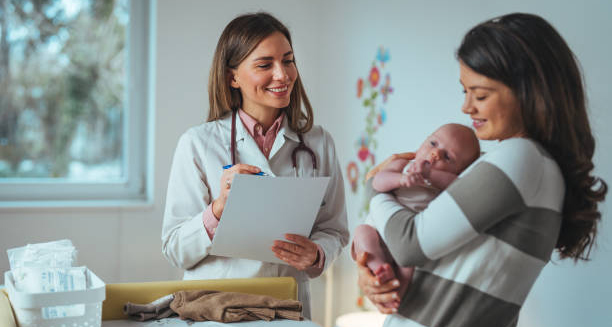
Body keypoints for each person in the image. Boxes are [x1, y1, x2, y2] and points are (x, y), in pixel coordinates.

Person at [356, 13, 607, 327]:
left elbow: (409, 245)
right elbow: (426, 258)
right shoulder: (531, 165)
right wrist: (375, 276)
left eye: (481, 94)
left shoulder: (522, 158)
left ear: (529, 91)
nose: (467, 107)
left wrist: (373, 189)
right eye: (465, 92)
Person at [161, 12, 349, 319]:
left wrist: (317, 253)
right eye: (265, 65)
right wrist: (217, 210)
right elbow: (175, 248)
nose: (283, 74)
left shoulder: (318, 143)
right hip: (218, 308)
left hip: (287, 307)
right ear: (232, 76)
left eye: (288, 60)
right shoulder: (197, 143)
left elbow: (334, 230)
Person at [352, 123, 480, 308]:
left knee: (410, 261)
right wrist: (400, 179)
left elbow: (459, 187)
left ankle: (399, 292)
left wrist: (430, 175)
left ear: (459, 170)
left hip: (411, 237)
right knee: (362, 232)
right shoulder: (403, 164)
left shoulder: (445, 182)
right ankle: (380, 269)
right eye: (433, 143)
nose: (435, 153)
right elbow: (377, 182)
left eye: (447, 157)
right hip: (378, 232)